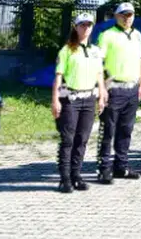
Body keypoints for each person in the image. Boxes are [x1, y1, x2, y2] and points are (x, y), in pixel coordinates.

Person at [52, 13, 106, 193]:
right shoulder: (67, 50)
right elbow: (58, 77)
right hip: (70, 99)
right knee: (68, 140)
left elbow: (99, 74)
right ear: (75, 27)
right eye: (82, 25)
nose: (86, 28)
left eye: (89, 25)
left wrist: (102, 93)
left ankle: (76, 175)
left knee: (82, 139)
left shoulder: (95, 51)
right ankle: (64, 178)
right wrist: (55, 100)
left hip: (89, 99)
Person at [95, 1, 141, 183]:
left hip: (132, 88)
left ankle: (121, 166)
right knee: (108, 129)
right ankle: (104, 168)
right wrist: (102, 87)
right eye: (123, 14)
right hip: (113, 88)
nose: (127, 18)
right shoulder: (107, 35)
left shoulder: (138, 35)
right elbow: (99, 62)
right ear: (116, 16)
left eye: (130, 14)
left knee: (126, 129)